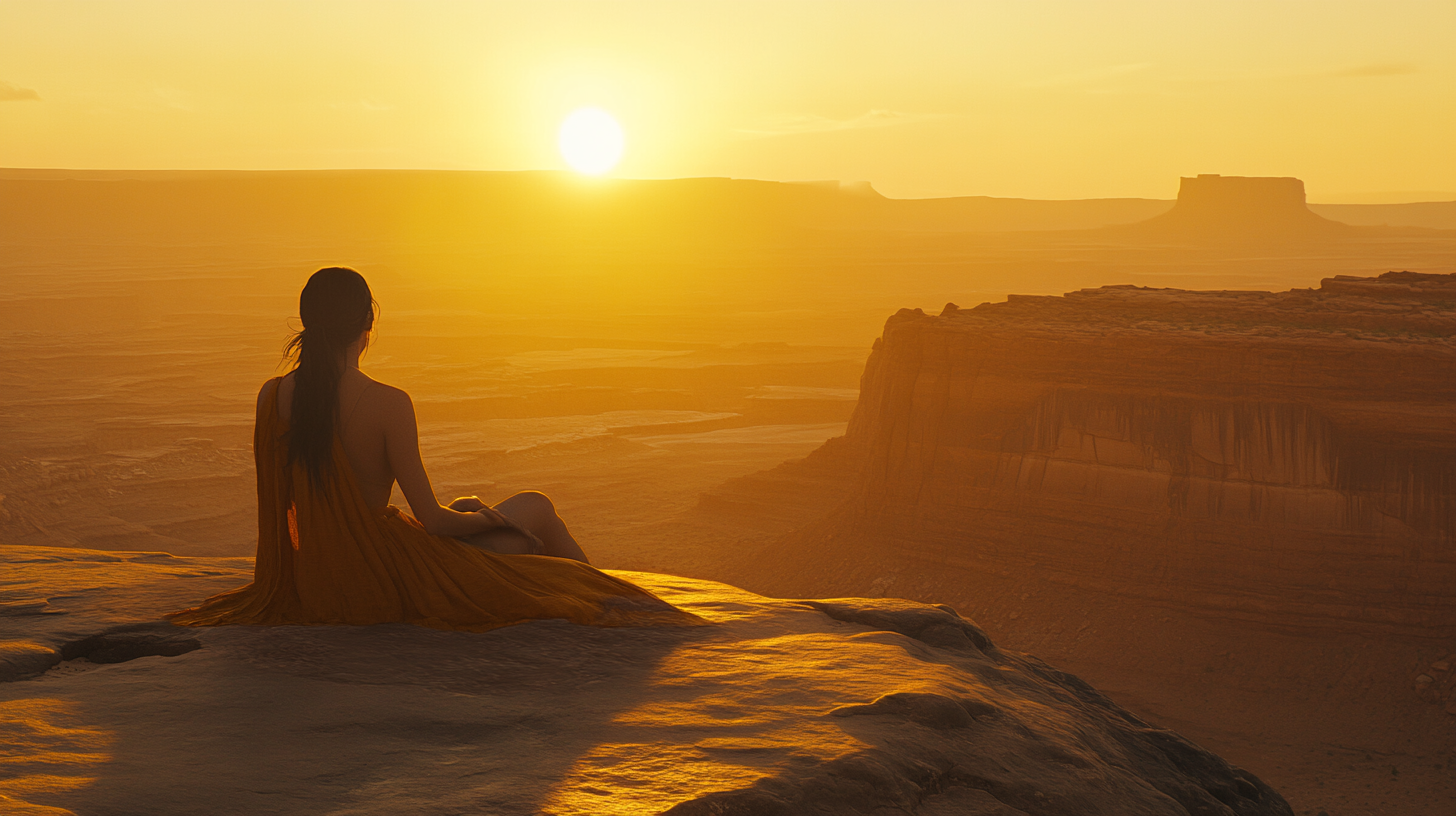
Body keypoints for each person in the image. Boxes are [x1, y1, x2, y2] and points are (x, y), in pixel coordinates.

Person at [168, 267, 697, 632]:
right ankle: (610, 604)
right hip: (383, 576)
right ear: (367, 324)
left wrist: (469, 517)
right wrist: (494, 521)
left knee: (470, 508)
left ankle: (596, 594)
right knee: (534, 507)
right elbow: (434, 523)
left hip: (315, 576)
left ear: (306, 322)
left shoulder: (272, 396)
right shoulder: (389, 403)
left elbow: (282, 514)